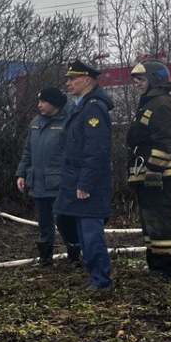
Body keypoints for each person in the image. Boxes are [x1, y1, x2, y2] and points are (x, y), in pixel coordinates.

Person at [54, 59, 116, 290]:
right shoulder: (80, 105)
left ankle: (101, 280)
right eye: (67, 79)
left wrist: (86, 183)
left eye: (73, 78)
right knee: (72, 226)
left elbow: (96, 149)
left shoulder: (92, 108)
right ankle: (95, 277)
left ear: (87, 80)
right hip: (74, 178)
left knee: (91, 233)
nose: (68, 83)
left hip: (87, 181)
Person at [126, 60, 171, 278]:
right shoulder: (153, 103)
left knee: (162, 222)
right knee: (151, 221)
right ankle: (156, 264)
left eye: (141, 80)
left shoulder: (160, 105)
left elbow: (166, 143)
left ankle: (168, 267)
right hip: (152, 175)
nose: (137, 84)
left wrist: (153, 171)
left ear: (154, 80)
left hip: (162, 176)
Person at [15, 87, 81, 266]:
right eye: (39, 101)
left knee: (65, 220)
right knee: (44, 222)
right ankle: (45, 257)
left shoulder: (69, 122)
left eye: (43, 102)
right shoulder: (36, 122)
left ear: (54, 103)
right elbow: (27, 151)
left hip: (59, 182)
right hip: (37, 181)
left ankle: (74, 256)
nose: (39, 105)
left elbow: (75, 154)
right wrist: (21, 172)